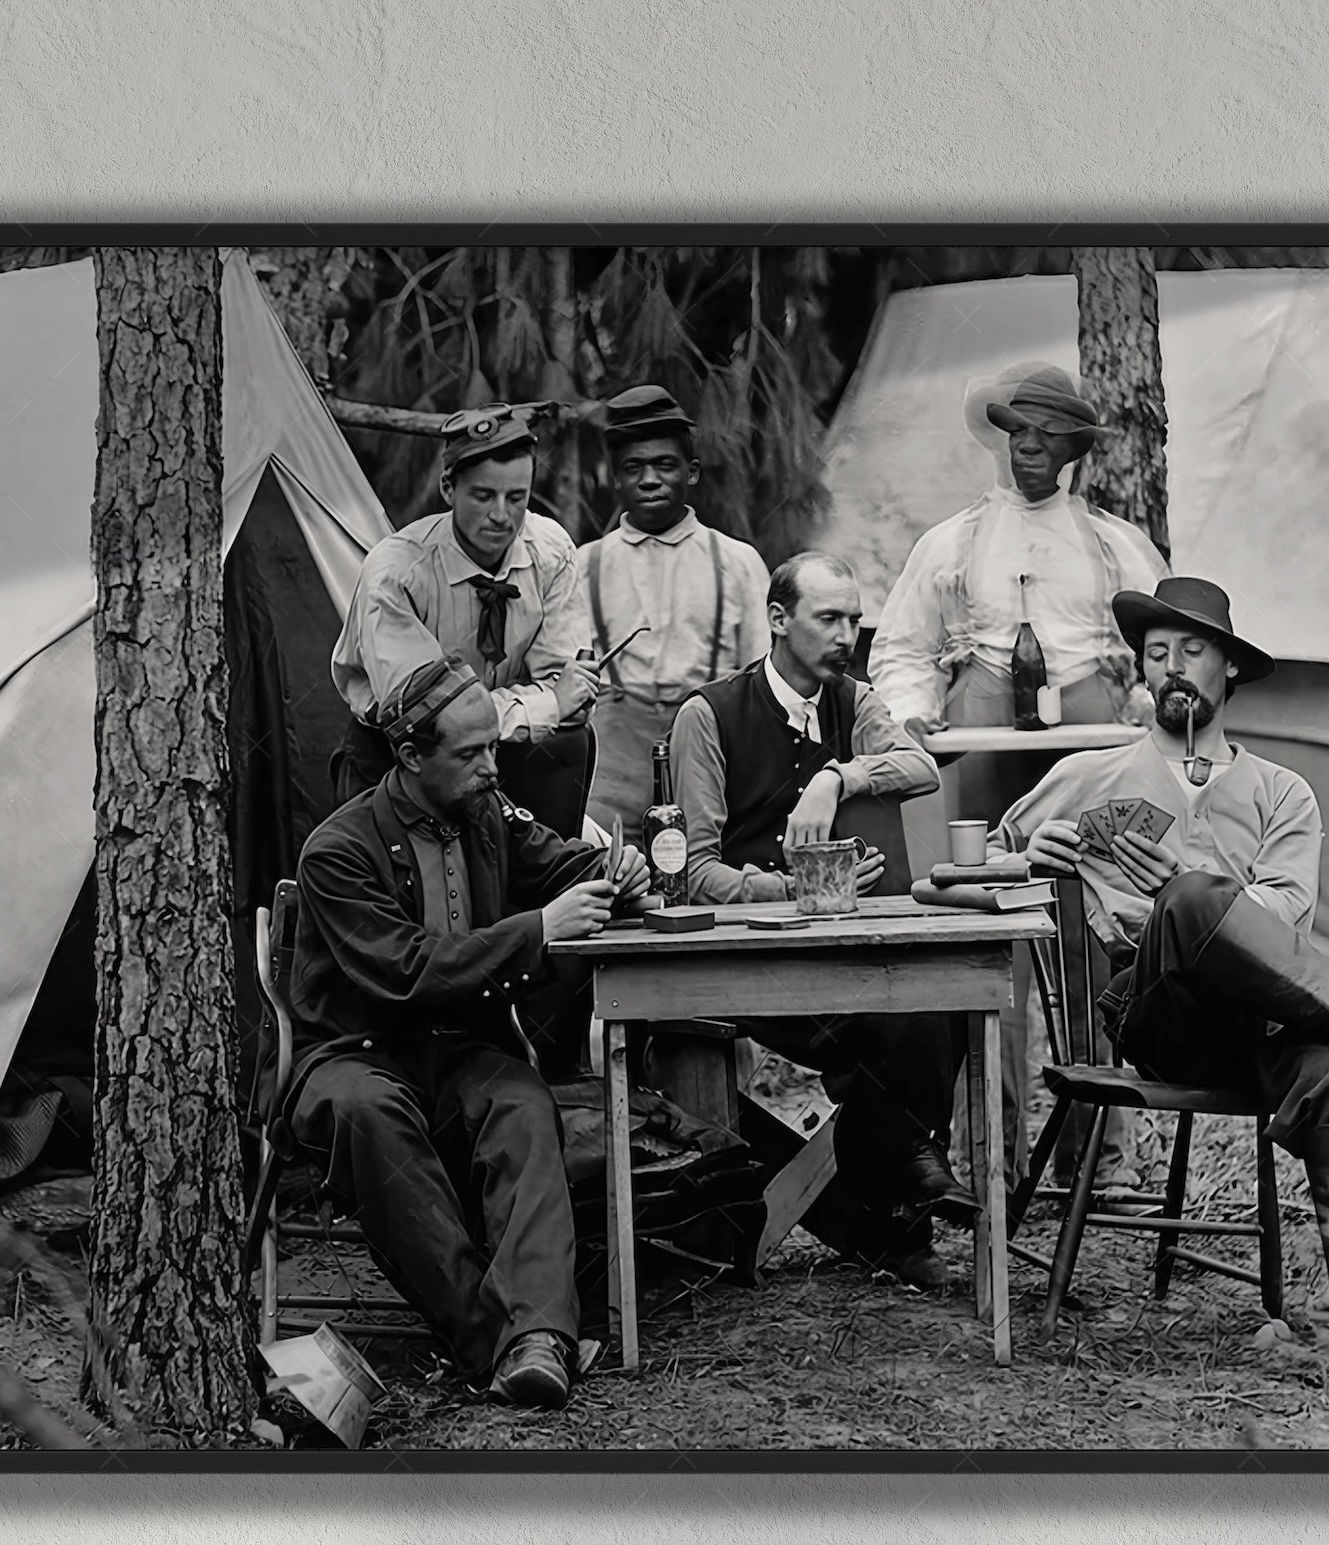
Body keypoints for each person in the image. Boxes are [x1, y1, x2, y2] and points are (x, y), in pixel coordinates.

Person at [993, 577, 1329, 1391]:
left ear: (1228, 670)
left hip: (1269, 1023)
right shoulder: (1088, 775)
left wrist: (1192, 880)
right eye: (1157, 653)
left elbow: (1287, 924)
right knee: (1187, 900)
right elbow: (965, 868)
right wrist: (1023, 857)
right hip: (1161, 1016)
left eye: (1192, 651)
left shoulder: (1282, 792)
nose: (1172, 667)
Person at [287, 656, 649, 1411]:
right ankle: (497, 1341)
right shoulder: (336, 850)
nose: (494, 766)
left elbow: (558, 866)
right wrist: (539, 930)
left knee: (520, 1101)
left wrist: (614, 873)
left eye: (493, 746)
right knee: (369, 1115)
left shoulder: (485, 813)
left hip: (456, 1050)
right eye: (473, 752)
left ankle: (538, 1337)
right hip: (356, 1055)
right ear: (410, 756)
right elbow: (405, 972)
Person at [867, 363, 1166, 1168]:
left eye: (1051, 436)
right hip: (981, 758)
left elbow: (1165, 648)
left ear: (1075, 449)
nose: (1031, 448)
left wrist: (1144, 704)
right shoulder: (950, 544)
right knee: (985, 936)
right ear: (997, 439)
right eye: (1018, 432)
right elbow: (901, 649)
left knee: (1095, 936)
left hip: (1091, 760)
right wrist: (912, 711)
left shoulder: (1116, 546)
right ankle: (990, 1154)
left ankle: (1098, 1155)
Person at [666, 552, 972, 1286]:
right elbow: (693, 873)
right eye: (828, 618)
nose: (846, 635)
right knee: (899, 1021)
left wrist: (839, 776)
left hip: (844, 951)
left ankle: (901, 1194)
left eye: (854, 620)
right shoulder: (708, 716)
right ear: (778, 619)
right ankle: (904, 1206)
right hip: (750, 962)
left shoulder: (852, 701)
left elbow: (920, 767)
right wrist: (794, 889)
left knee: (946, 999)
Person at [328, 405, 601, 837]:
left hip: (506, 751)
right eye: (483, 496)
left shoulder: (550, 551)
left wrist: (557, 702)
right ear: (448, 489)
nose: (501, 515)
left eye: (517, 498)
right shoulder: (397, 573)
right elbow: (428, 719)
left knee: (569, 742)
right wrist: (546, 704)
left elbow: (568, 691)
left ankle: (542, 871)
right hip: (402, 756)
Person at [571, 385, 773, 824]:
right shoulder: (584, 565)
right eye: (634, 468)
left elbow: (763, 682)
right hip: (614, 759)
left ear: (692, 472)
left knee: (706, 855)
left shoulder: (736, 562)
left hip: (709, 745)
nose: (650, 480)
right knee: (606, 856)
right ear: (616, 477)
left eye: (665, 465)